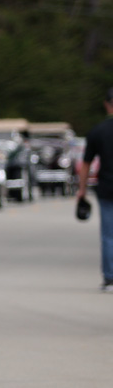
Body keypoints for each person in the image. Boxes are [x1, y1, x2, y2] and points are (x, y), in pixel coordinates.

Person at [77, 87, 113, 292]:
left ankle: (110, 278)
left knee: (109, 234)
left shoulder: (97, 131)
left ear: (107, 104)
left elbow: (86, 165)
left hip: (107, 188)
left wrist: (81, 190)